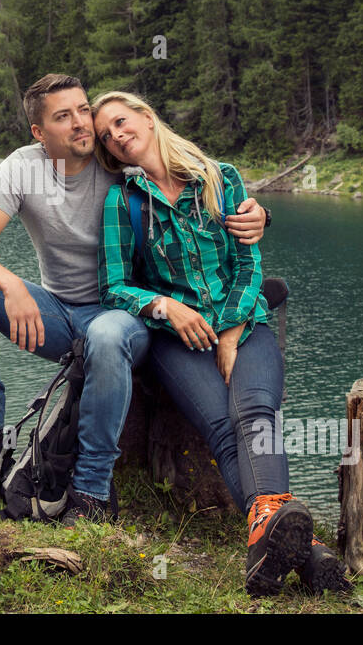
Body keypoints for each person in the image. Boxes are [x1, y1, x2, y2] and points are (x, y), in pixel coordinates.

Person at [0, 74, 269, 525]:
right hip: (58, 314)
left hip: (127, 317)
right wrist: (12, 285)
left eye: (83, 110)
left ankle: (92, 490)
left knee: (105, 332)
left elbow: (200, 191)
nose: (82, 124)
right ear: (39, 133)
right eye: (64, 116)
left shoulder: (121, 163)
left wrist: (259, 215)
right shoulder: (23, 167)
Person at [91, 89, 349, 596]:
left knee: (254, 414)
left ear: (147, 116)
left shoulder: (220, 177)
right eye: (106, 136)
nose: (117, 136)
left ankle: (271, 542)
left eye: (121, 122)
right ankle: (305, 549)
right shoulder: (122, 200)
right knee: (223, 431)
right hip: (176, 340)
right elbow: (114, 286)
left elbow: (250, 263)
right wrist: (166, 307)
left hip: (246, 326)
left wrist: (230, 330)